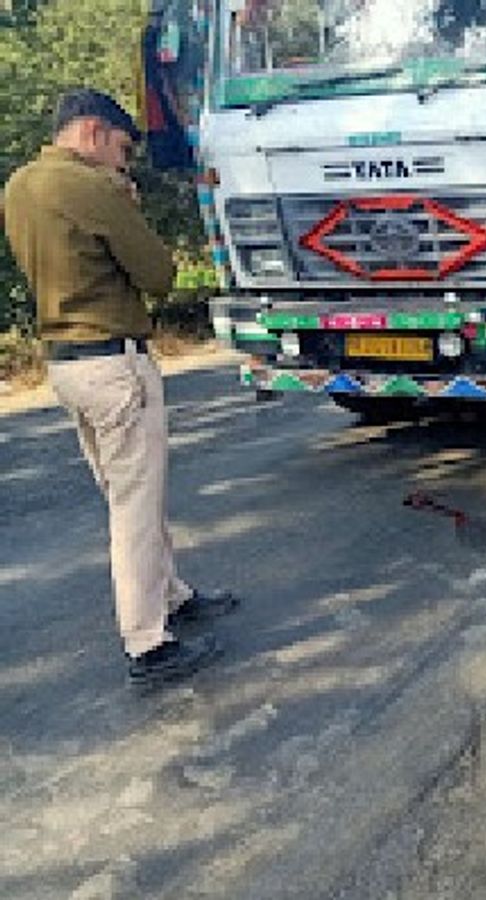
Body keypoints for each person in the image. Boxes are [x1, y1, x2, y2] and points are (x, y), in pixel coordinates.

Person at [3, 89, 237, 686]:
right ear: (91, 133)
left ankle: (174, 596)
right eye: (121, 148)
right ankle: (147, 643)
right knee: (135, 507)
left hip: (66, 364)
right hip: (114, 363)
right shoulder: (90, 188)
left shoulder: (19, 187)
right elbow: (159, 274)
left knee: (131, 494)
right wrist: (127, 205)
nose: (124, 162)